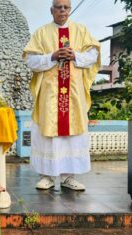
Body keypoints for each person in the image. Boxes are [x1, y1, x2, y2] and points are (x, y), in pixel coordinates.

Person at [23, 0, 100, 191]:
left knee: (72, 136)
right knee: (48, 134)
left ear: (70, 10)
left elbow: (93, 56)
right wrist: (52, 56)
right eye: (59, 7)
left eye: (66, 7)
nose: (62, 10)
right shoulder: (41, 33)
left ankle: (68, 177)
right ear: (52, 10)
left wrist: (75, 56)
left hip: (73, 93)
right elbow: (30, 60)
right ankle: (47, 176)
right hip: (49, 94)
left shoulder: (81, 31)